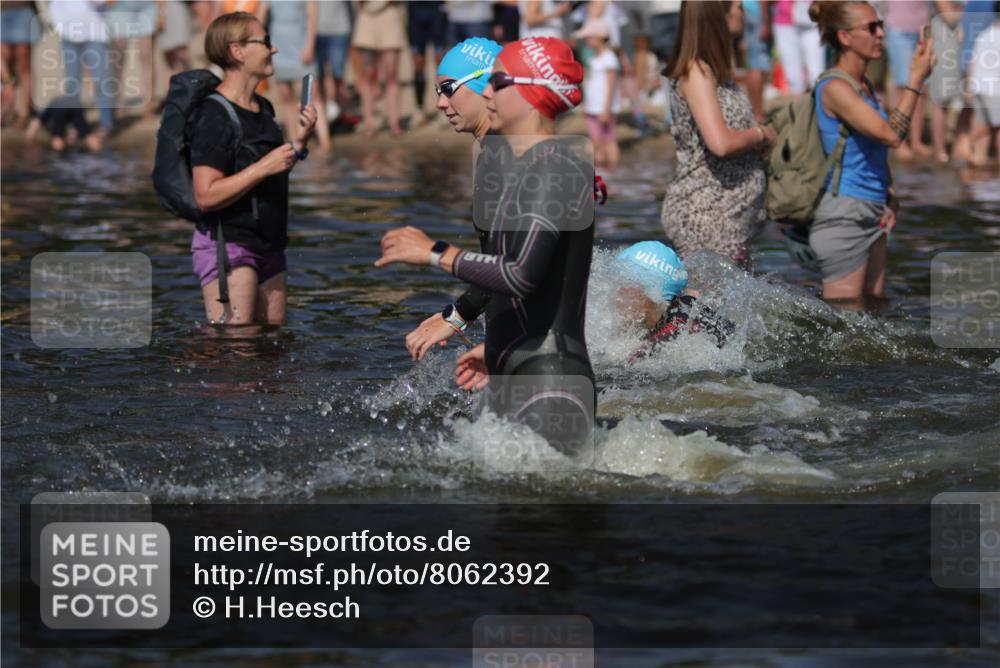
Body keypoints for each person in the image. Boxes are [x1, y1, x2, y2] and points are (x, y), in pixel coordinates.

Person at [376, 37, 595, 457]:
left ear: (531, 91)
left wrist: (435, 253)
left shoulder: (554, 168)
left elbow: (520, 272)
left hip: (552, 378)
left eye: (497, 82)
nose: (488, 93)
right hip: (521, 364)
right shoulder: (525, 162)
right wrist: (496, 346)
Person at [188, 11, 317, 324]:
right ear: (237, 51)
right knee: (237, 350)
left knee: (272, 349)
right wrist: (263, 166)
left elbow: (270, 175)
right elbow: (205, 195)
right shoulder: (213, 115)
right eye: (266, 41)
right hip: (230, 244)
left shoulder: (263, 109)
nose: (274, 49)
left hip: (270, 244)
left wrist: (297, 145)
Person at [807, 1, 934, 304]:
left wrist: (888, 193)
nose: (880, 34)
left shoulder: (863, 86)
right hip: (843, 215)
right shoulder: (835, 87)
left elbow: (871, 147)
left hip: (873, 209)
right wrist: (915, 80)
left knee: (876, 308)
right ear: (845, 37)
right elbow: (890, 135)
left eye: (881, 26)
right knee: (846, 323)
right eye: (871, 28)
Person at [404, 36, 504, 361]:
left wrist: (456, 315)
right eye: (437, 92)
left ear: (484, 84)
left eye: (448, 89)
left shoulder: (503, 158)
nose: (440, 103)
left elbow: (513, 269)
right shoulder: (513, 147)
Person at [660, 0, 775, 268]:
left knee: (724, 307)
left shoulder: (715, 71)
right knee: (705, 307)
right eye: (737, 5)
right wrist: (762, 134)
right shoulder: (696, 71)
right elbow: (720, 143)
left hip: (730, 215)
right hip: (707, 214)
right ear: (717, 14)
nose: (742, 10)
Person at [612, 241, 734, 360]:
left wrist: (640, 351)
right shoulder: (676, 308)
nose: (615, 295)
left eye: (623, 285)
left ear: (654, 295)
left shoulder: (686, 326)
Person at [48, 0, 116, 140]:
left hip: (95, 34)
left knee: (101, 81)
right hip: (68, 36)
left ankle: (106, 124)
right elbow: (54, 6)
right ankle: (74, 124)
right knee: (72, 84)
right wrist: (60, 27)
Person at [269, 1, 331, 152]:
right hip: (278, 46)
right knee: (286, 96)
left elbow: (313, 16)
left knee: (312, 95)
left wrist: (309, 45)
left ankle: (325, 143)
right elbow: (261, 15)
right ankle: (294, 143)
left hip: (301, 45)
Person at [884, 0, 933, 159]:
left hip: (922, 27)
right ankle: (899, 142)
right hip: (898, 28)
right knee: (902, 87)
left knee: (921, 87)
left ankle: (916, 141)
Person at [351, 0, 408, 136]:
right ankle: (369, 123)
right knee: (368, 75)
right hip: (366, 17)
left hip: (390, 15)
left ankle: (394, 122)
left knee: (392, 75)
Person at [575, 18, 621, 168]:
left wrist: (606, 109)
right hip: (594, 108)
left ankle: (613, 170)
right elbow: (591, 85)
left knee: (609, 140)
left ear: (599, 38)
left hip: (604, 108)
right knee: (596, 140)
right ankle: (601, 171)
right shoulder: (594, 59)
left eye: (589, 38)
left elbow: (611, 86)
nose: (587, 41)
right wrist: (586, 105)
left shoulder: (609, 59)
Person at [968, 2, 1000, 168]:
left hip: (979, 87)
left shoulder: (985, 34)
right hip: (994, 89)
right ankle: (968, 142)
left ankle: (977, 158)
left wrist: (969, 85)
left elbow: (973, 61)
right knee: (995, 128)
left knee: (983, 122)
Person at [772, 0, 825, 96]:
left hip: (812, 19)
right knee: (793, 78)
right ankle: (800, 109)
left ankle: (820, 106)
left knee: (816, 73)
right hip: (784, 20)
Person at [1, 1, 38, 129]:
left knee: (23, 64)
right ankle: (8, 108)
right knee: (5, 62)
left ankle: (24, 111)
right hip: (2, 11)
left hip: (21, 9)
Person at [314, 0, 352, 125]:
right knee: (319, 76)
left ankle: (338, 114)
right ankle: (325, 114)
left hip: (340, 31)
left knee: (337, 75)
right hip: (316, 32)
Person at [409, 1, 448, 118]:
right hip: (415, 12)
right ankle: (420, 109)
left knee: (440, 64)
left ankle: (443, 108)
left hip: (436, 11)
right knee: (418, 63)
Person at [157, 0, 194, 104]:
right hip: (164, 11)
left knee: (182, 54)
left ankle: (190, 88)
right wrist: (161, 13)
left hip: (175, 10)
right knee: (169, 57)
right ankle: (169, 94)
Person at [743, 0, 772, 123]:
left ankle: (753, 110)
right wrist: (765, 22)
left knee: (752, 63)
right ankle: (757, 113)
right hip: (757, 12)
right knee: (758, 65)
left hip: (747, 10)